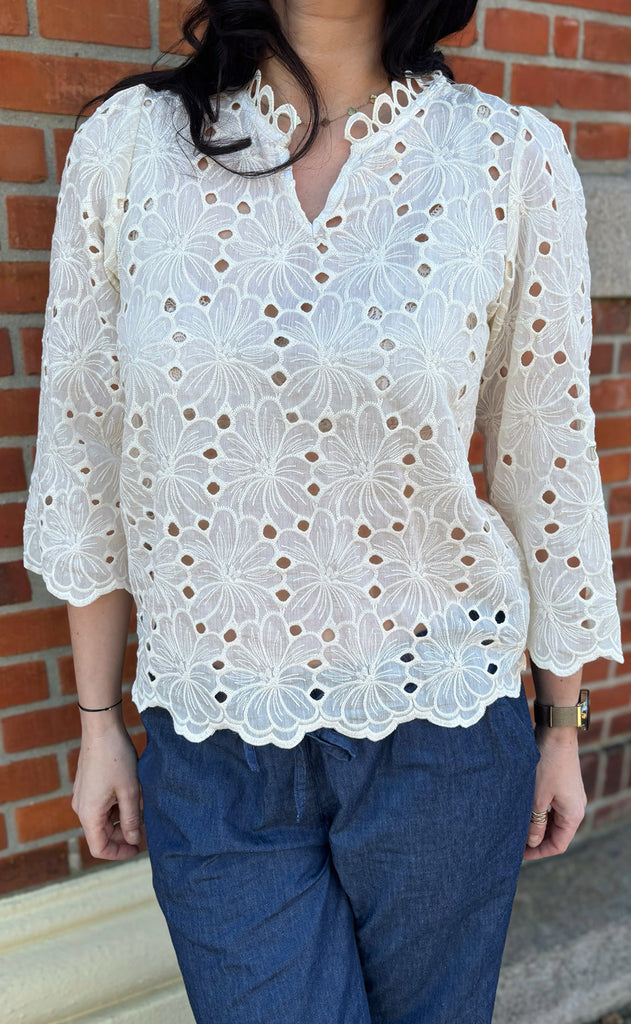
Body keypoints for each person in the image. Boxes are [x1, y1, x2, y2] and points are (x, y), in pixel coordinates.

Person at [22, 1, 624, 1021]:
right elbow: (88, 448)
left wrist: (559, 727)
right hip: (211, 739)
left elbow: (547, 463)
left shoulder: (506, 161)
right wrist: (96, 723)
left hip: (439, 730)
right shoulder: (132, 149)